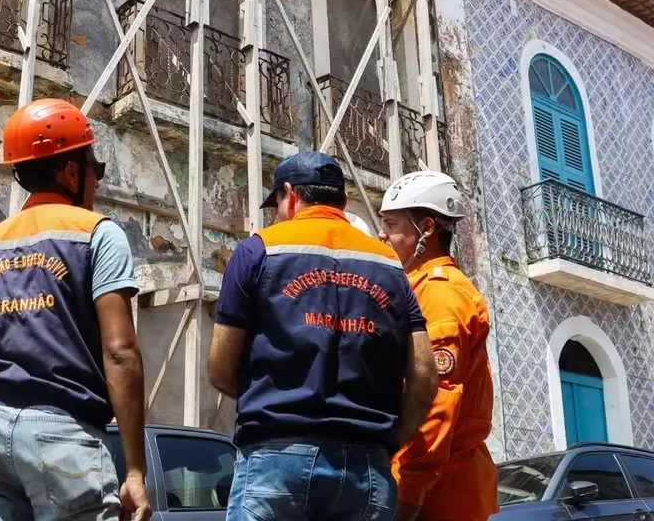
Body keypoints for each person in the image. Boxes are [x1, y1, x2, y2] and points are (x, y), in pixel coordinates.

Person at [208, 151, 439, 521]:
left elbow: (220, 368)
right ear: (344, 203)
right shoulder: (390, 266)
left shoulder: (257, 250)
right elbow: (426, 379)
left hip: (276, 460)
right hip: (367, 466)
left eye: (279, 203)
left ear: (291, 195)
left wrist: (273, 398)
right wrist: (390, 440)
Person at [0, 98, 151, 521]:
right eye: (94, 170)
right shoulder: (99, 234)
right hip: (62, 434)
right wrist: (135, 471)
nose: (97, 183)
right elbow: (120, 352)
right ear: (69, 172)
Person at [379, 171, 498, 521]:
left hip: (440, 494)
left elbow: (436, 401)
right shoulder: (418, 289)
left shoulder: (442, 294)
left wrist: (409, 494)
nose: (382, 234)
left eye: (391, 224)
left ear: (427, 228)